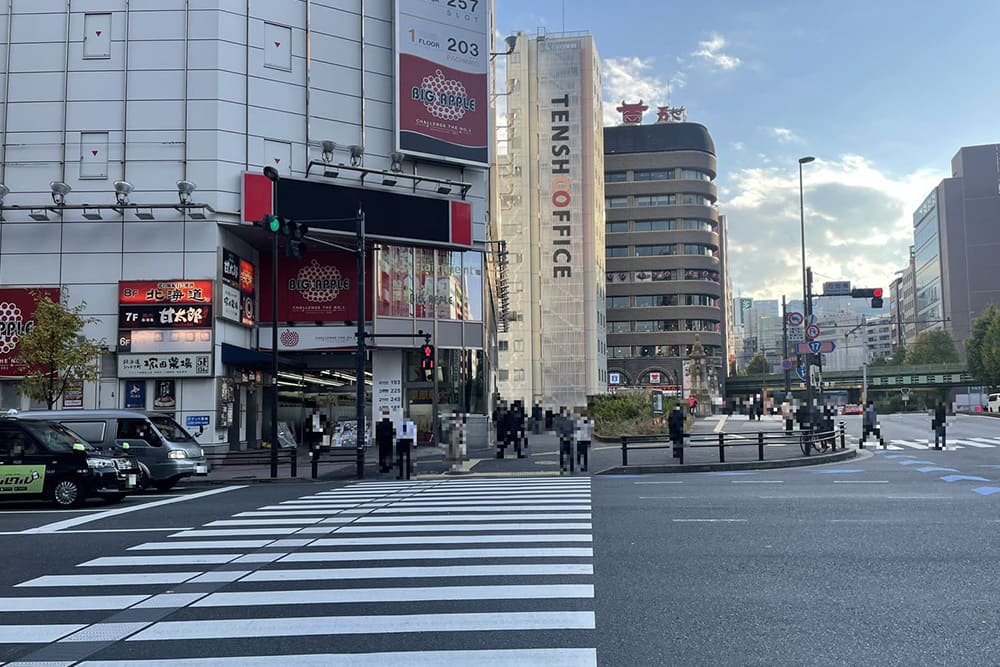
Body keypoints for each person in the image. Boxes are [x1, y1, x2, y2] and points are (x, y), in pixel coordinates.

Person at [375, 409, 395, 473]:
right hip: (389, 441)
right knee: (389, 454)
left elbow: (378, 432)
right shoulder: (391, 422)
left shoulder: (380, 423)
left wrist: (377, 440)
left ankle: (384, 467)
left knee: (383, 455)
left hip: (382, 441)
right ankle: (389, 466)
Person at [556, 407, 575, 474]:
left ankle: (570, 468)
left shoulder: (570, 421)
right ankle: (563, 467)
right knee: (564, 454)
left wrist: (572, 435)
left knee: (570, 455)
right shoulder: (561, 421)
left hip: (568, 439)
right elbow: (558, 430)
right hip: (564, 439)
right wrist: (560, 435)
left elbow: (573, 430)